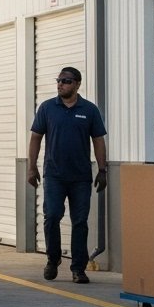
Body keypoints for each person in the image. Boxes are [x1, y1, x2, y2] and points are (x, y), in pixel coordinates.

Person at [27, 66, 107, 285]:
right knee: (52, 216)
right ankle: (52, 260)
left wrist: (102, 170)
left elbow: (98, 140)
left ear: (77, 84)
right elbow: (35, 138)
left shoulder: (89, 110)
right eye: (59, 80)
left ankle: (78, 269)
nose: (60, 84)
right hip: (54, 175)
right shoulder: (47, 108)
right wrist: (31, 167)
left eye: (66, 81)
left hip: (81, 177)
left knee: (80, 222)